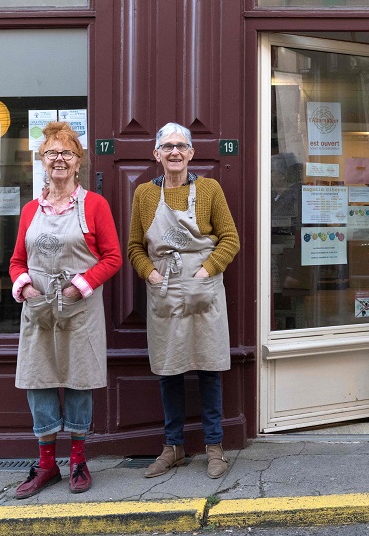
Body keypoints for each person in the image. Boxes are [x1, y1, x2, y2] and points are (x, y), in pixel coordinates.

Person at [9, 121, 122, 499]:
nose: (59, 159)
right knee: (38, 382)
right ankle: (45, 465)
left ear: (78, 162)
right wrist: (24, 286)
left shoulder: (95, 205)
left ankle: (77, 460)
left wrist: (81, 285)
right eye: (52, 153)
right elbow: (17, 260)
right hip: (38, 309)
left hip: (79, 307)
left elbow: (113, 257)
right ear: (42, 161)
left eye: (67, 153)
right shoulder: (30, 209)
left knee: (78, 380)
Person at [128, 122, 240, 479]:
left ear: (192, 153)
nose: (174, 152)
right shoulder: (144, 194)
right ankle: (173, 446)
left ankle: (214, 446)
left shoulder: (209, 188)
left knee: (208, 368)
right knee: (168, 369)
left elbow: (230, 239)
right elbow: (133, 247)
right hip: (164, 292)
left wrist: (207, 271)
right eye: (167, 146)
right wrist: (152, 274)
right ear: (156, 154)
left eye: (181, 146)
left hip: (203, 289)